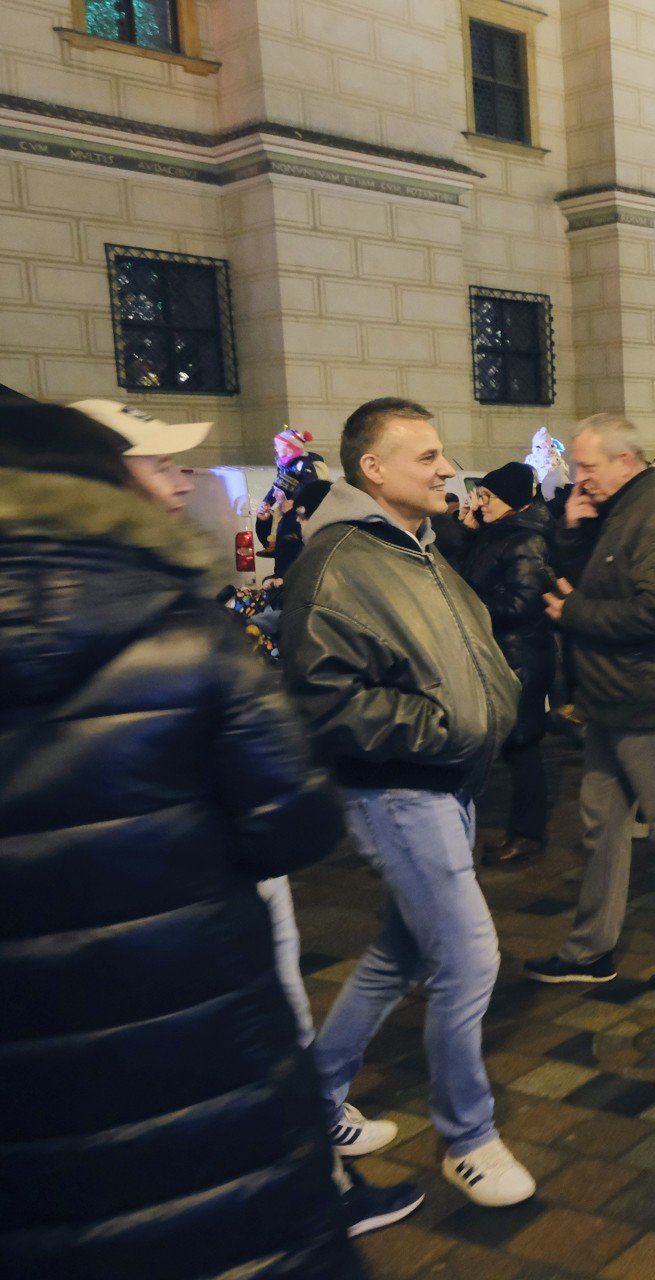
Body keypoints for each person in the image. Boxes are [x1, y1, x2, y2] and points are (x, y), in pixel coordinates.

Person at [0, 404, 417, 1280]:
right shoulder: (181, 628)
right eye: (154, 467)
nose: (182, 481)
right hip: (200, 1012)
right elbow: (295, 821)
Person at [278, 398, 531, 1207]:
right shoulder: (340, 559)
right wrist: (441, 724)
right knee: (468, 955)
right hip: (398, 787)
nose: (447, 467)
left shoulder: (412, 547)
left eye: (441, 452)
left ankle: (311, 1106)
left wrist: (492, 701)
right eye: (426, 456)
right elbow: (322, 696)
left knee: (402, 954)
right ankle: (468, 1138)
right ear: (373, 469)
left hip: (445, 780)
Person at [525, 414, 655, 985]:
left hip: (651, 698)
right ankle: (590, 948)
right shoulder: (619, 509)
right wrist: (571, 532)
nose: (579, 477)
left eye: (589, 467)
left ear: (626, 460)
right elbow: (591, 580)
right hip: (615, 698)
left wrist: (576, 615)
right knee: (601, 827)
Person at [460, 461, 557, 866]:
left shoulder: (525, 540)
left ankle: (527, 833)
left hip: (520, 656)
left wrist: (468, 608)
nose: (479, 504)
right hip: (503, 652)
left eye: (487, 497)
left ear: (512, 501)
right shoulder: (499, 533)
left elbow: (521, 601)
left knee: (521, 746)